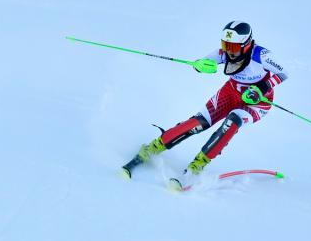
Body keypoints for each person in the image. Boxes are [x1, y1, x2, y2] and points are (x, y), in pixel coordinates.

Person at [121, 21, 288, 189]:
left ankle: (196, 167)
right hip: (230, 93)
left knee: (233, 121)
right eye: (225, 45)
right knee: (198, 123)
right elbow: (207, 61)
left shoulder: (262, 55)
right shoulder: (226, 52)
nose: (228, 51)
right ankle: (152, 148)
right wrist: (200, 65)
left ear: (246, 44)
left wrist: (262, 88)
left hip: (258, 102)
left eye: (233, 47)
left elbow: (284, 72)